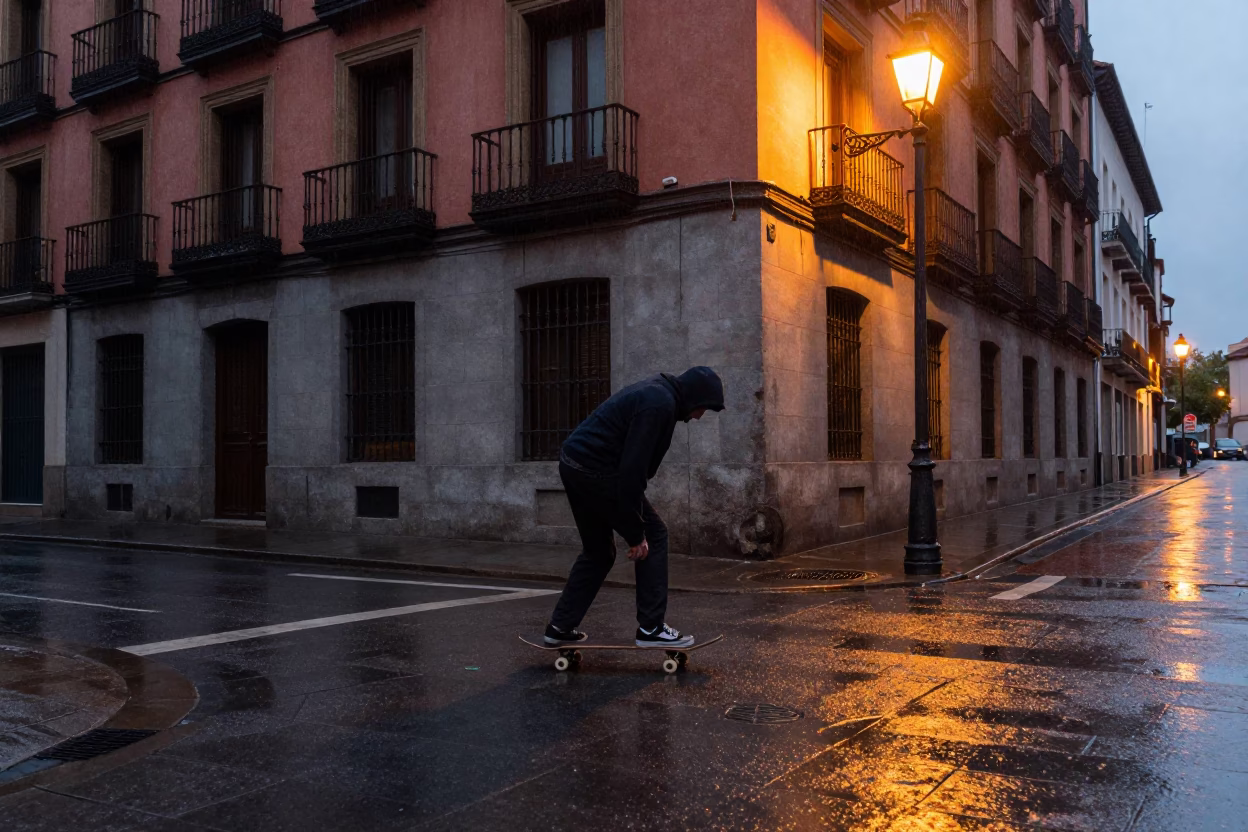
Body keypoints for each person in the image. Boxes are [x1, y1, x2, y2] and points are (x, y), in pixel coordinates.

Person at [544, 366, 725, 649]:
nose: (699, 416)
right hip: (595, 471)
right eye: (703, 408)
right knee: (654, 534)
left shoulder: (658, 394)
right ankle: (651, 628)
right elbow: (632, 472)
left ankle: (560, 627)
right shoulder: (659, 404)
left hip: (574, 464)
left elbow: (637, 468)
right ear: (693, 397)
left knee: (599, 552)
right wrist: (635, 533)